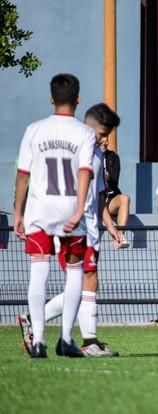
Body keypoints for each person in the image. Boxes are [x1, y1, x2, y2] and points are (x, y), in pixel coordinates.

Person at [17, 103, 123, 357]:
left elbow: (98, 198)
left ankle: (35, 319)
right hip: (71, 227)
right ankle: (89, 341)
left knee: (87, 282)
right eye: (101, 134)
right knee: (88, 279)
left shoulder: (96, 155)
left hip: (89, 227)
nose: (103, 140)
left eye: (106, 135)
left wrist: (110, 225)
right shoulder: (74, 150)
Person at [13, 73, 96, 358]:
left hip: (38, 211)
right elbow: (85, 171)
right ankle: (65, 339)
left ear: (51, 98)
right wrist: (79, 209)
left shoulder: (34, 129)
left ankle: (38, 341)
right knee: (74, 272)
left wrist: (17, 212)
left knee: (39, 270)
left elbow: (23, 174)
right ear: (78, 99)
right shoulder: (85, 133)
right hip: (70, 211)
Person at [98, 107, 130, 248]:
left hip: (110, 198)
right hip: (96, 200)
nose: (105, 142)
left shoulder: (113, 157)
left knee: (125, 198)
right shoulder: (89, 155)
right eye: (102, 139)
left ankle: (121, 235)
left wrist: (106, 175)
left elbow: (114, 179)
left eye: (107, 140)